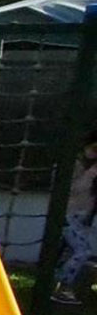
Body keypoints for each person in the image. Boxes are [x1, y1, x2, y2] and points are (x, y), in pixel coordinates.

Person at [50, 130, 97, 305]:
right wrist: (92, 172)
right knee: (82, 250)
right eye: (94, 148)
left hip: (82, 217)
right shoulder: (75, 163)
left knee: (69, 252)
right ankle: (63, 286)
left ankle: (59, 285)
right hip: (67, 215)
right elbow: (72, 189)